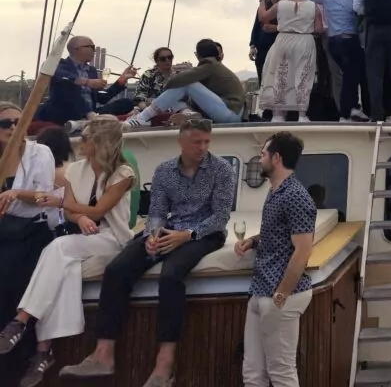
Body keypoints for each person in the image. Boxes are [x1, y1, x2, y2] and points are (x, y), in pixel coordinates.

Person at [60, 119, 234, 386]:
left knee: (171, 275)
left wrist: (186, 236)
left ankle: (165, 364)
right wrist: (153, 236)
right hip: (169, 228)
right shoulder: (164, 170)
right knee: (116, 270)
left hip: (205, 233)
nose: (202, 147)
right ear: (181, 142)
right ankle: (103, 354)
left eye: (206, 142)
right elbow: (156, 213)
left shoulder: (221, 169)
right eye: (196, 142)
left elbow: (220, 217)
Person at [0, 117, 134, 386]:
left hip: (113, 237)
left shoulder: (123, 174)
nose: (79, 142)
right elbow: (72, 212)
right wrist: (75, 214)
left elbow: (98, 210)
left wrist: (60, 203)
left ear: (99, 143)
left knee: (58, 247)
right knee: (63, 267)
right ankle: (43, 350)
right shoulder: (75, 171)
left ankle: (22, 319)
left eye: (85, 138)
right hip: (87, 239)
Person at [235, 131, 315, 387]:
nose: (259, 159)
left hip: (279, 295)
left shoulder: (296, 196)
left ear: (276, 158)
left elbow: (303, 250)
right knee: (253, 373)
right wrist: (252, 241)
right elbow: (278, 232)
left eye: (263, 154)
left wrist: (281, 295)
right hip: (261, 290)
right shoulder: (276, 191)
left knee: (281, 372)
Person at [0, 103, 55, 383]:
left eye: (19, 122)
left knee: (14, 289)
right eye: (6, 123)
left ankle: (22, 365)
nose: (13, 127)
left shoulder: (40, 153)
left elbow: (44, 197)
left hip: (30, 232)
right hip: (3, 233)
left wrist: (16, 193)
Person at [125, 39, 245, 127]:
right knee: (179, 99)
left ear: (197, 55)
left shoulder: (209, 66)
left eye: (170, 57)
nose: (167, 60)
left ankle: (143, 117)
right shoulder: (215, 66)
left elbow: (176, 81)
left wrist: (168, 92)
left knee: (187, 84)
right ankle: (189, 115)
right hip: (231, 112)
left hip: (230, 114)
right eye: (163, 59)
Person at [304, 0, 369, 121]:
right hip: (350, 40)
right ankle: (348, 111)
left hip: (333, 41)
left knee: (347, 75)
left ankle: (350, 109)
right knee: (352, 75)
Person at [258, 0, 323, 122]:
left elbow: (263, 17)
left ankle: (278, 114)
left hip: (284, 39)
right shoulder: (313, 6)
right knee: (303, 76)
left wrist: (262, 2)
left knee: (281, 74)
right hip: (305, 40)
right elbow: (319, 29)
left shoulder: (280, 5)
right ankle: (302, 114)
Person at [35, 36, 137, 128]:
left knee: (126, 103)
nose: (94, 50)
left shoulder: (91, 71)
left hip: (91, 113)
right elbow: (60, 75)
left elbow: (102, 98)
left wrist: (122, 80)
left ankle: (88, 119)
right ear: (77, 49)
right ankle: (90, 117)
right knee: (67, 85)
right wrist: (86, 82)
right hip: (64, 111)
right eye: (91, 47)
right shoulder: (59, 65)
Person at [250, 0, 285, 83]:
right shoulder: (264, 3)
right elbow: (257, 25)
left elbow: (292, 25)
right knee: (263, 81)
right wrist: (252, 45)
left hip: (280, 46)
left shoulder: (287, 4)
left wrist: (277, 28)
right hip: (262, 47)